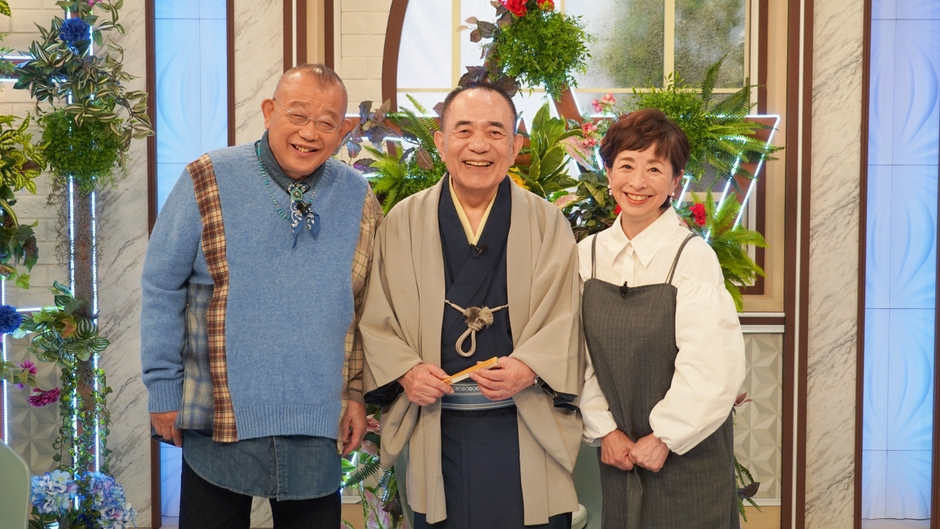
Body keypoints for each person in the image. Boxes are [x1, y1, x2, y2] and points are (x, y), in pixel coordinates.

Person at [141, 63, 382, 529]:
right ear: (269, 111)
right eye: (298, 115)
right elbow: (161, 285)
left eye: (327, 122)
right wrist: (162, 386)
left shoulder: (357, 195)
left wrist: (356, 394)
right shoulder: (207, 177)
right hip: (218, 415)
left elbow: (364, 306)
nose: (309, 133)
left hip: (317, 423)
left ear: (344, 132)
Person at [360, 81, 582, 529]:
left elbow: (567, 317)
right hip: (435, 422)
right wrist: (406, 371)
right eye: (463, 131)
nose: (479, 145)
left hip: (525, 420)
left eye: (495, 132)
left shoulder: (547, 222)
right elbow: (378, 318)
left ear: (515, 146)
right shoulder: (402, 221)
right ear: (441, 143)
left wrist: (531, 366)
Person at [578, 108, 746, 528]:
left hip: (688, 453)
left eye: (654, 168)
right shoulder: (587, 255)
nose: (637, 182)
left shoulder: (692, 257)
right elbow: (576, 355)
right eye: (626, 165)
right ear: (608, 173)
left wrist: (666, 436)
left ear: (675, 181)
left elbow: (711, 367)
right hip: (619, 452)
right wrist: (604, 430)